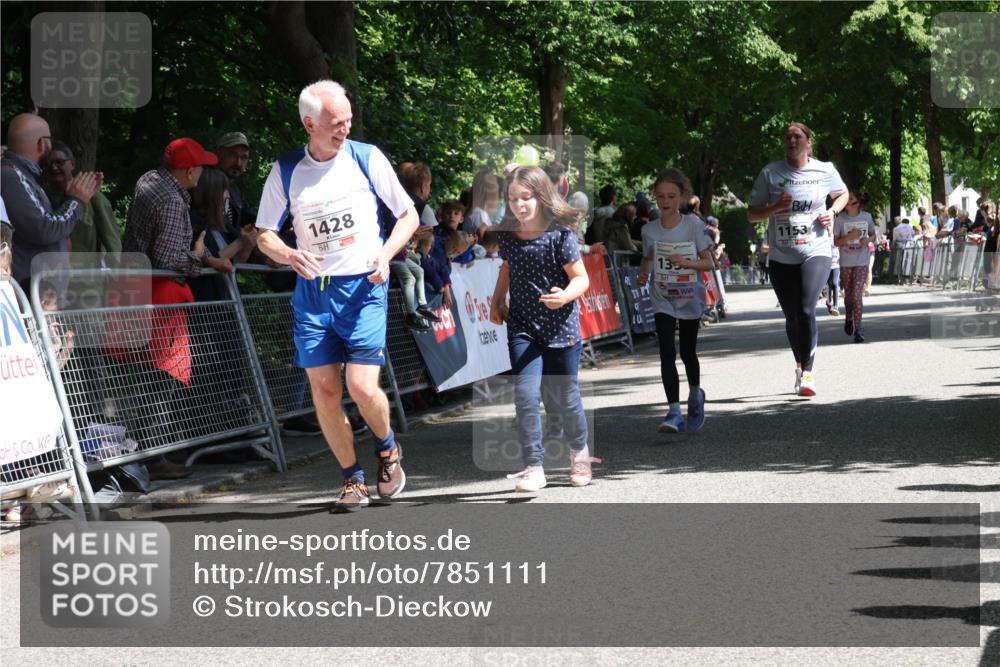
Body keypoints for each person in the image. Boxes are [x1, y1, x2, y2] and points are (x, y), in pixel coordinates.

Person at [254, 80, 419, 511]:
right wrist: (290, 254)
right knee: (325, 391)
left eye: (348, 119)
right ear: (310, 124)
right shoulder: (286, 170)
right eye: (336, 123)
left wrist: (386, 253)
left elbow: (408, 215)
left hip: (364, 286)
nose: (345, 128)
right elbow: (264, 234)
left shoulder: (367, 158)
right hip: (314, 294)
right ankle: (352, 478)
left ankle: (388, 449)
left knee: (361, 386)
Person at [489, 166, 599, 492]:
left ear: (541, 196)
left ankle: (579, 452)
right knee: (525, 395)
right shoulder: (508, 235)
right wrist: (497, 300)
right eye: (512, 199)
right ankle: (534, 467)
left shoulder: (560, 235)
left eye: (526, 197)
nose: (519, 205)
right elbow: (507, 268)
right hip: (523, 326)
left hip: (561, 328)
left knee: (565, 397)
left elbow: (581, 278)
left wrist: (564, 296)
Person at [747, 122, 848, 397]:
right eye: (788, 137)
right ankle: (800, 364)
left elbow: (842, 194)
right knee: (792, 316)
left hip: (816, 250)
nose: (792, 141)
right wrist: (775, 207)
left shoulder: (825, 170)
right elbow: (752, 214)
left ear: (809, 142)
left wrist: (833, 212)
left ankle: (809, 374)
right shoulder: (770, 173)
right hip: (781, 256)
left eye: (797, 136)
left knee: (806, 309)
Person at [638, 168, 714, 433]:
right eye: (660, 196)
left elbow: (709, 263)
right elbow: (648, 258)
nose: (665, 201)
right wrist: (643, 273)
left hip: (689, 297)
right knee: (667, 352)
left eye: (671, 196)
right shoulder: (649, 230)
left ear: (682, 197)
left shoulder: (693, 225)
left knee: (687, 352)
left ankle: (695, 395)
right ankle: (673, 411)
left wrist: (686, 263)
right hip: (662, 298)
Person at [1, 113, 101, 294]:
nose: (51, 146)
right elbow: (44, 229)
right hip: (30, 293)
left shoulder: (25, 176)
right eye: (49, 140)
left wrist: (70, 198)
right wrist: (76, 200)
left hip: (42, 293)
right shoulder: (11, 176)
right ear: (41, 143)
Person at [45, 141, 121, 267]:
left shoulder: (92, 196)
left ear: (72, 164)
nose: (54, 167)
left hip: (86, 276)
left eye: (59, 162)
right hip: (51, 273)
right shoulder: (42, 197)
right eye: (49, 163)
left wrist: (114, 271)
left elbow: (112, 242)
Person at [834, 191, 876, 343]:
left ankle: (858, 329)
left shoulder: (866, 217)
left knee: (857, 294)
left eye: (850, 198)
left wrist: (868, 241)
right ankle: (849, 316)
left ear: (856, 203)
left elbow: (873, 235)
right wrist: (848, 237)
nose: (847, 200)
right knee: (849, 294)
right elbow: (836, 242)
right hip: (846, 261)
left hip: (861, 261)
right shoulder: (840, 219)